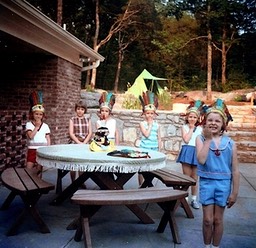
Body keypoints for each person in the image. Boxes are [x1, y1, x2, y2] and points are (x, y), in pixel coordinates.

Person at [196, 98, 239, 248]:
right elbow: (201, 160)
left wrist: (234, 192)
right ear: (205, 123)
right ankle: (206, 246)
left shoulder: (230, 144)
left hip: (223, 184)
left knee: (218, 220)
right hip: (207, 183)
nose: (213, 123)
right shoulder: (200, 139)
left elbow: (235, 170)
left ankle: (216, 246)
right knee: (207, 220)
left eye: (217, 121)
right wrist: (208, 140)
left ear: (223, 124)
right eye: (210, 120)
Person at [176, 100, 204, 209]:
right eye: (190, 117)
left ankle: (194, 199)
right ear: (187, 117)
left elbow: (202, 142)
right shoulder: (185, 127)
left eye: (194, 117)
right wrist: (191, 129)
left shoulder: (201, 129)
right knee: (186, 177)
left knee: (194, 178)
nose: (192, 119)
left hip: (196, 152)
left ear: (198, 119)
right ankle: (185, 198)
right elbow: (186, 139)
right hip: (187, 151)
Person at [138, 91, 161, 185]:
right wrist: (150, 125)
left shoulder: (157, 125)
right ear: (144, 113)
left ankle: (148, 184)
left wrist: (160, 148)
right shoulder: (142, 124)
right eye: (148, 113)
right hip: (144, 148)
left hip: (154, 148)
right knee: (142, 168)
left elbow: (159, 137)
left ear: (154, 114)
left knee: (151, 168)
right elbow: (146, 134)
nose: (150, 115)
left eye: (152, 113)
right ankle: (141, 184)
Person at [26, 91, 51, 178]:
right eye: (36, 114)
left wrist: (48, 148)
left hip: (41, 150)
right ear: (32, 114)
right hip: (32, 150)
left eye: (40, 114)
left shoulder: (45, 126)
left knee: (39, 169)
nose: (38, 116)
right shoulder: (29, 124)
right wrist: (36, 127)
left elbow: (48, 138)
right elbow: (30, 136)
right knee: (29, 168)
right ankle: (29, 185)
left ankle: (38, 187)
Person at [69, 100, 92, 184]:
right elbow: (71, 133)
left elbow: (90, 133)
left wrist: (84, 143)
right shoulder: (72, 119)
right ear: (75, 109)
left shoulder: (87, 119)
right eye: (78, 109)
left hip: (84, 143)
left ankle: (81, 182)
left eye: (82, 109)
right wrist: (78, 143)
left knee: (82, 164)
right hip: (75, 142)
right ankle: (73, 182)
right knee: (73, 164)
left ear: (84, 110)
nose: (80, 111)